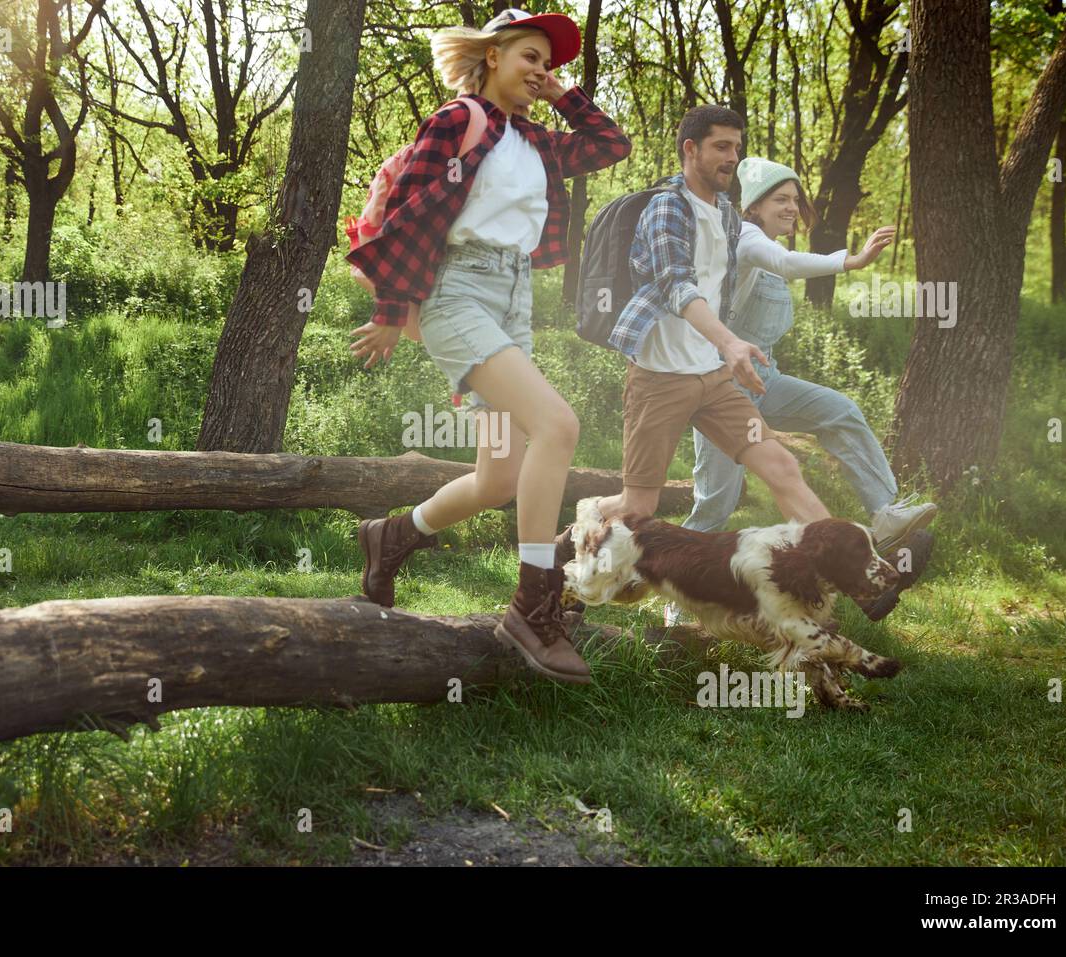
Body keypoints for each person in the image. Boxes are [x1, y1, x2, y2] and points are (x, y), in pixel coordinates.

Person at [345, 8, 631, 684]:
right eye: (529, 56)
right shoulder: (457, 121)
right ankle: (534, 604)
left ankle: (392, 537)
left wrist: (566, 96)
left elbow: (610, 145)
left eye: (548, 61)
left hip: (514, 294)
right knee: (558, 424)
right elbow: (415, 208)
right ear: (493, 56)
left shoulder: (535, 138)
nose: (541, 70)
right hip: (457, 291)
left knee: (498, 477)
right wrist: (391, 308)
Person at [664, 156, 937, 625]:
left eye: (795, 199)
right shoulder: (747, 238)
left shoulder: (761, 241)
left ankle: (885, 512)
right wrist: (848, 261)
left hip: (763, 380)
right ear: (754, 206)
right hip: (722, 388)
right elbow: (787, 264)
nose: (792, 207)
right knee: (715, 503)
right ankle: (676, 598)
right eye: (780, 199)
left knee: (840, 412)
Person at [595, 106, 841, 570]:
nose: (732, 157)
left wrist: (726, 350)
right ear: (691, 149)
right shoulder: (667, 206)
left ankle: (845, 575)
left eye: (737, 147)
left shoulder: (727, 216)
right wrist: (730, 342)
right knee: (637, 507)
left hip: (714, 380)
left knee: (783, 468)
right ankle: (568, 544)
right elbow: (676, 285)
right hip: (661, 379)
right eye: (721, 147)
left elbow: (732, 285)